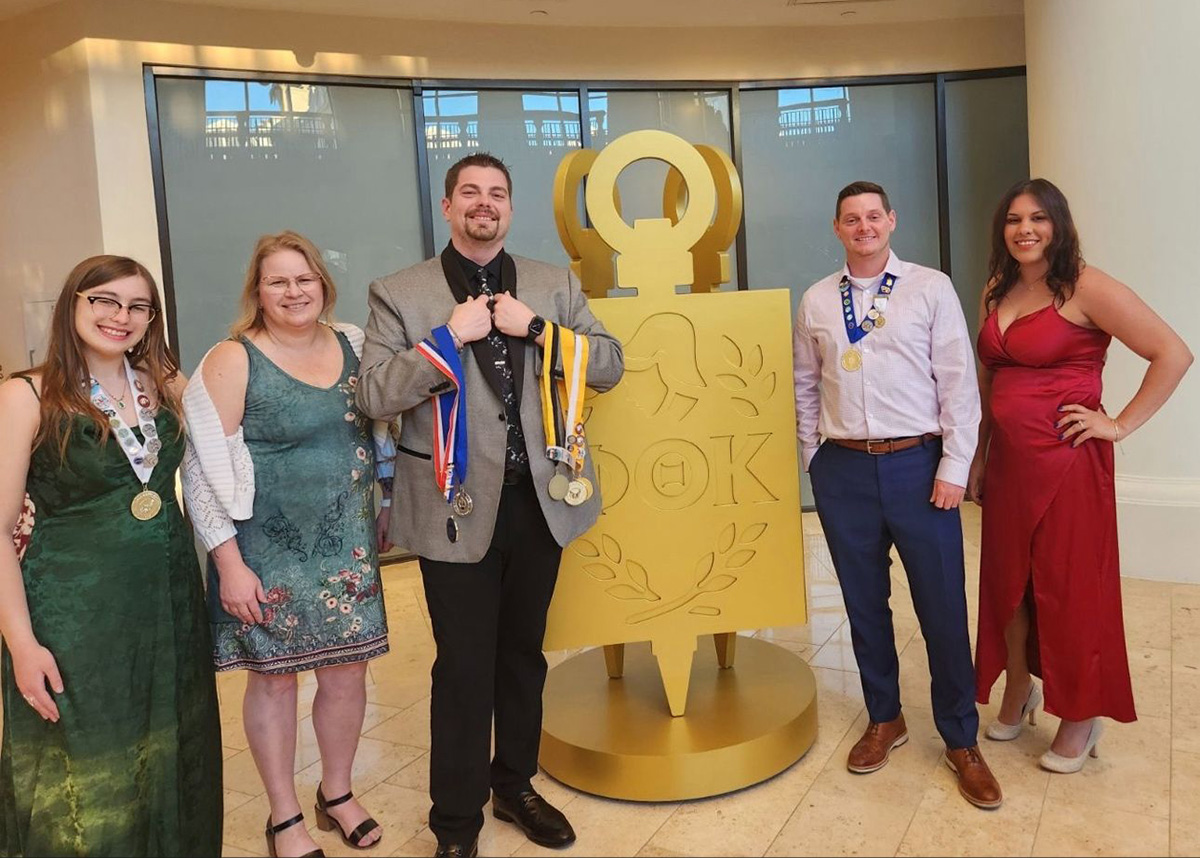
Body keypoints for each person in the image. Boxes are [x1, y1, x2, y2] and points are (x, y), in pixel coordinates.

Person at [356, 152, 624, 858]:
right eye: (469, 193)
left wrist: (537, 329)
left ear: (510, 208)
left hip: (541, 502)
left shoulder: (551, 284)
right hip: (453, 506)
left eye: (496, 193)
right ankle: (455, 822)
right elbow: (376, 394)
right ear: (448, 208)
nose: (484, 203)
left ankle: (515, 786)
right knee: (464, 666)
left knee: (522, 656)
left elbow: (610, 364)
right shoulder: (399, 291)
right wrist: (449, 340)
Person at [0, 255, 223, 855]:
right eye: (103, 300)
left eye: (137, 306)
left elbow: (225, 464)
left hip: (169, 606)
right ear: (72, 303)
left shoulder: (167, 388)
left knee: (174, 753)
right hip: (75, 618)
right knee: (85, 773)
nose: (120, 316)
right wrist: (22, 644)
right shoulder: (26, 395)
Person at [181, 231, 395, 858]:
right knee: (273, 681)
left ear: (323, 285)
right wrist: (227, 563)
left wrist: (387, 499)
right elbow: (200, 466)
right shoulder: (234, 357)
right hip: (262, 552)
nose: (293, 291)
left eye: (304, 279)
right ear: (258, 292)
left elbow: (382, 428)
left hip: (347, 544)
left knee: (348, 672)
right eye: (278, 281)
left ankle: (337, 793)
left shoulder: (354, 341)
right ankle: (282, 817)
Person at [968, 178, 1192, 772]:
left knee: (1069, 588)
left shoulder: (1087, 286)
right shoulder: (998, 286)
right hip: (1012, 465)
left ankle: (1082, 714)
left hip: (1068, 465)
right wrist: (982, 454)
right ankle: (1020, 689)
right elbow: (990, 380)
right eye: (1014, 219)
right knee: (1008, 584)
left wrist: (1116, 424)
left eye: (1038, 218)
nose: (1025, 230)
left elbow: (1173, 353)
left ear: (1059, 224)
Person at [792, 181, 1002, 808]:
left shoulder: (930, 287)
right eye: (851, 219)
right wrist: (815, 459)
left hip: (919, 465)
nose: (864, 227)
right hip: (844, 471)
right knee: (863, 603)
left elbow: (958, 383)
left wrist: (954, 467)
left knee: (940, 604)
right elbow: (806, 384)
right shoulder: (817, 300)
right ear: (837, 228)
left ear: (892, 221)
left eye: (873, 216)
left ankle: (961, 738)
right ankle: (886, 717)